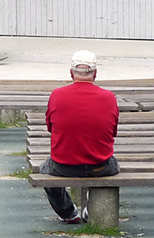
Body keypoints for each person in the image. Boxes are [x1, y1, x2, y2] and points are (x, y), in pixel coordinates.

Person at [40, 49, 120, 224]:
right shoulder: (109, 97)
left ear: (71, 73)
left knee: (45, 170)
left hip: (63, 166)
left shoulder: (57, 95)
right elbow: (113, 131)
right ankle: (91, 208)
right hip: (101, 166)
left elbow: (50, 128)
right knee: (114, 165)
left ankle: (68, 212)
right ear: (95, 74)